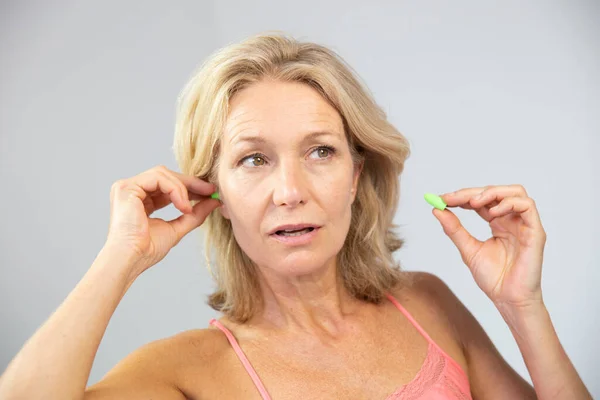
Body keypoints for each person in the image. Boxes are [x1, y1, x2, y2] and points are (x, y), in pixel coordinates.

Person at [0, 32, 592, 400]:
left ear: (356, 174)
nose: (290, 190)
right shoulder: (183, 371)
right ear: (217, 196)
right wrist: (119, 260)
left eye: (320, 151)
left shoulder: (427, 303)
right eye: (254, 159)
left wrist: (523, 306)